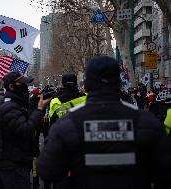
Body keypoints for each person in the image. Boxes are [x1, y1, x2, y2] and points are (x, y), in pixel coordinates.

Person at [38, 56, 171, 189]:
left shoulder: (66, 125)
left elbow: (47, 171)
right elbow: (164, 172)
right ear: (119, 82)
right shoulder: (147, 123)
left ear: (86, 85)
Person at [0, 71, 51, 189]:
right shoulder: (9, 108)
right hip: (12, 164)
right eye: (22, 84)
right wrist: (40, 110)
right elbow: (26, 129)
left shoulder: (16, 105)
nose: (26, 87)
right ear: (11, 86)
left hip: (17, 161)